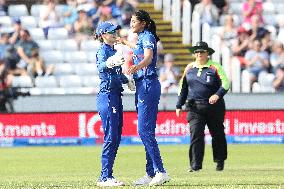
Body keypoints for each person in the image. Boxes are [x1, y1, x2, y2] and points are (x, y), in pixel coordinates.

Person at [117, 9, 170, 186]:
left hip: (147, 84)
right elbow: (141, 50)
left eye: (134, 21)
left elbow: (148, 57)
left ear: (143, 23)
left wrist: (136, 67)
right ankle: (150, 173)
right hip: (144, 85)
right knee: (147, 130)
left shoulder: (147, 37)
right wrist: (125, 42)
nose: (131, 24)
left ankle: (160, 171)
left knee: (143, 130)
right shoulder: (144, 37)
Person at [176, 41, 230, 172]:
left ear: (208, 53)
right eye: (197, 52)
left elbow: (226, 84)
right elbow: (183, 87)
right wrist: (179, 104)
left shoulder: (215, 67)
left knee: (217, 134)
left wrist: (217, 95)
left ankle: (220, 161)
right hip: (194, 108)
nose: (199, 54)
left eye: (202, 52)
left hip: (214, 107)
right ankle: (195, 165)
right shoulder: (189, 68)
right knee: (196, 135)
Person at [94, 21, 135, 187]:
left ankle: (108, 175)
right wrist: (110, 63)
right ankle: (104, 177)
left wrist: (127, 80)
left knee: (116, 137)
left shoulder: (113, 50)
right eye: (111, 32)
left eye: (115, 31)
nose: (114, 34)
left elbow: (117, 74)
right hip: (107, 96)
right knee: (111, 137)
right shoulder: (103, 50)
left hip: (116, 96)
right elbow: (101, 67)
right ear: (103, 34)